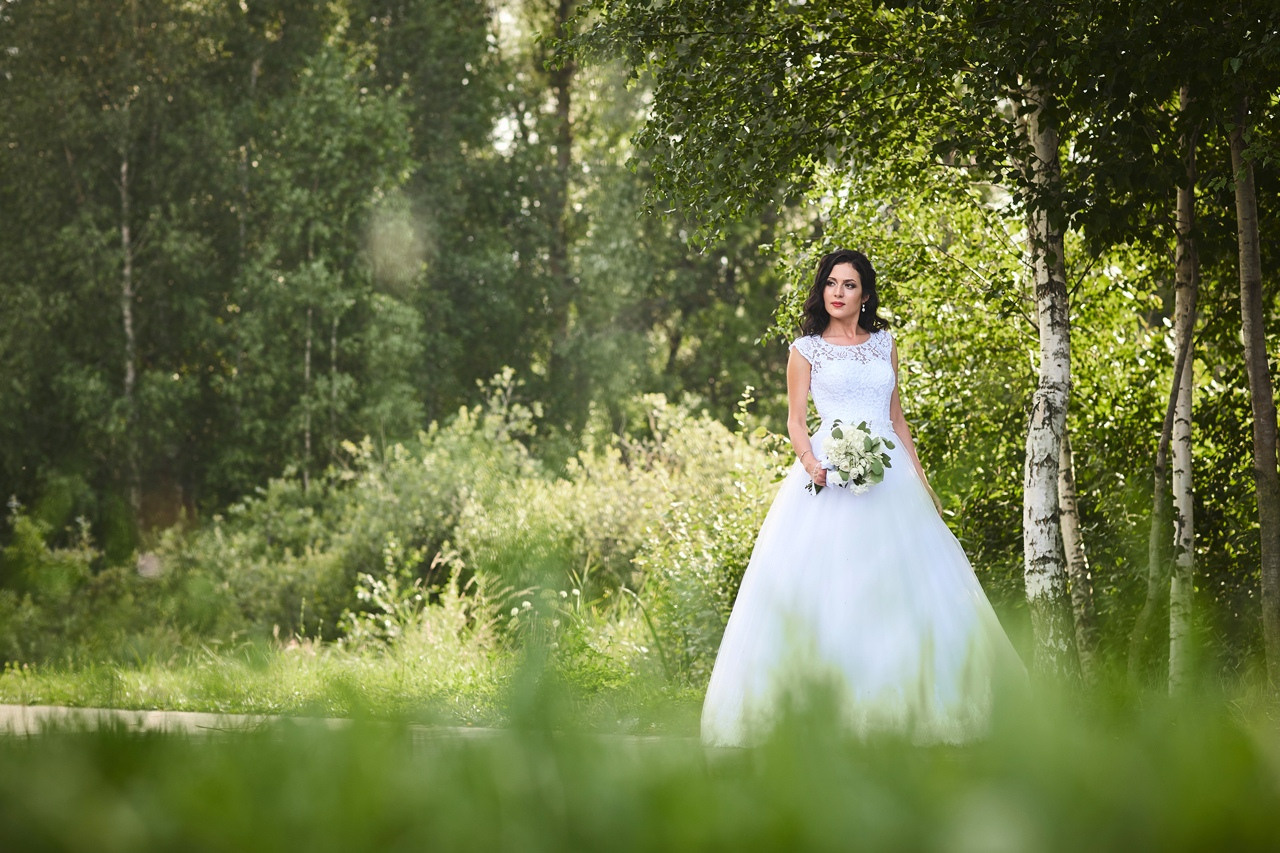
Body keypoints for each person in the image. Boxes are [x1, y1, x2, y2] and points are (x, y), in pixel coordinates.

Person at [700, 248, 1024, 747]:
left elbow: (897, 419)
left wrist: (922, 481)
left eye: (849, 285)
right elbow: (795, 421)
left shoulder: (884, 344)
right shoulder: (806, 350)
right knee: (832, 587)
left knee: (910, 586)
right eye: (831, 283)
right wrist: (812, 464)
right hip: (830, 471)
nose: (838, 292)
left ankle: (916, 708)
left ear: (865, 295)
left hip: (890, 474)